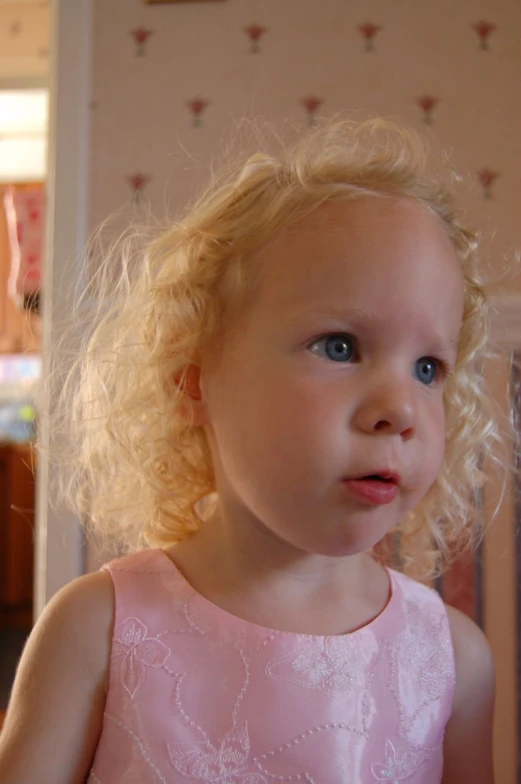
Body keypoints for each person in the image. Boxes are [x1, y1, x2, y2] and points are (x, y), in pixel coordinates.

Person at [0, 119, 500, 783]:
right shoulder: (98, 628)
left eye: (428, 368)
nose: (400, 409)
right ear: (195, 381)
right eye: (340, 346)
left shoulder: (451, 661)